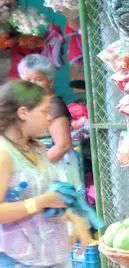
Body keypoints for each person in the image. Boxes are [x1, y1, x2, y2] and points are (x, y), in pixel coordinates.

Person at [0, 80, 92, 267]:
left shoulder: (37, 148)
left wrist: (76, 219)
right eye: (44, 111)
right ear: (23, 113)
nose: (50, 117)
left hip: (53, 256)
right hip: (18, 259)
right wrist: (42, 202)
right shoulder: (4, 154)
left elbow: (55, 194)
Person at [17, 54, 82, 190]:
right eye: (28, 80)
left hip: (55, 169)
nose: (33, 85)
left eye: (38, 79)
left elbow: (63, 146)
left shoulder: (53, 106)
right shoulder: (37, 105)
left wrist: (35, 169)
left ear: (50, 81)